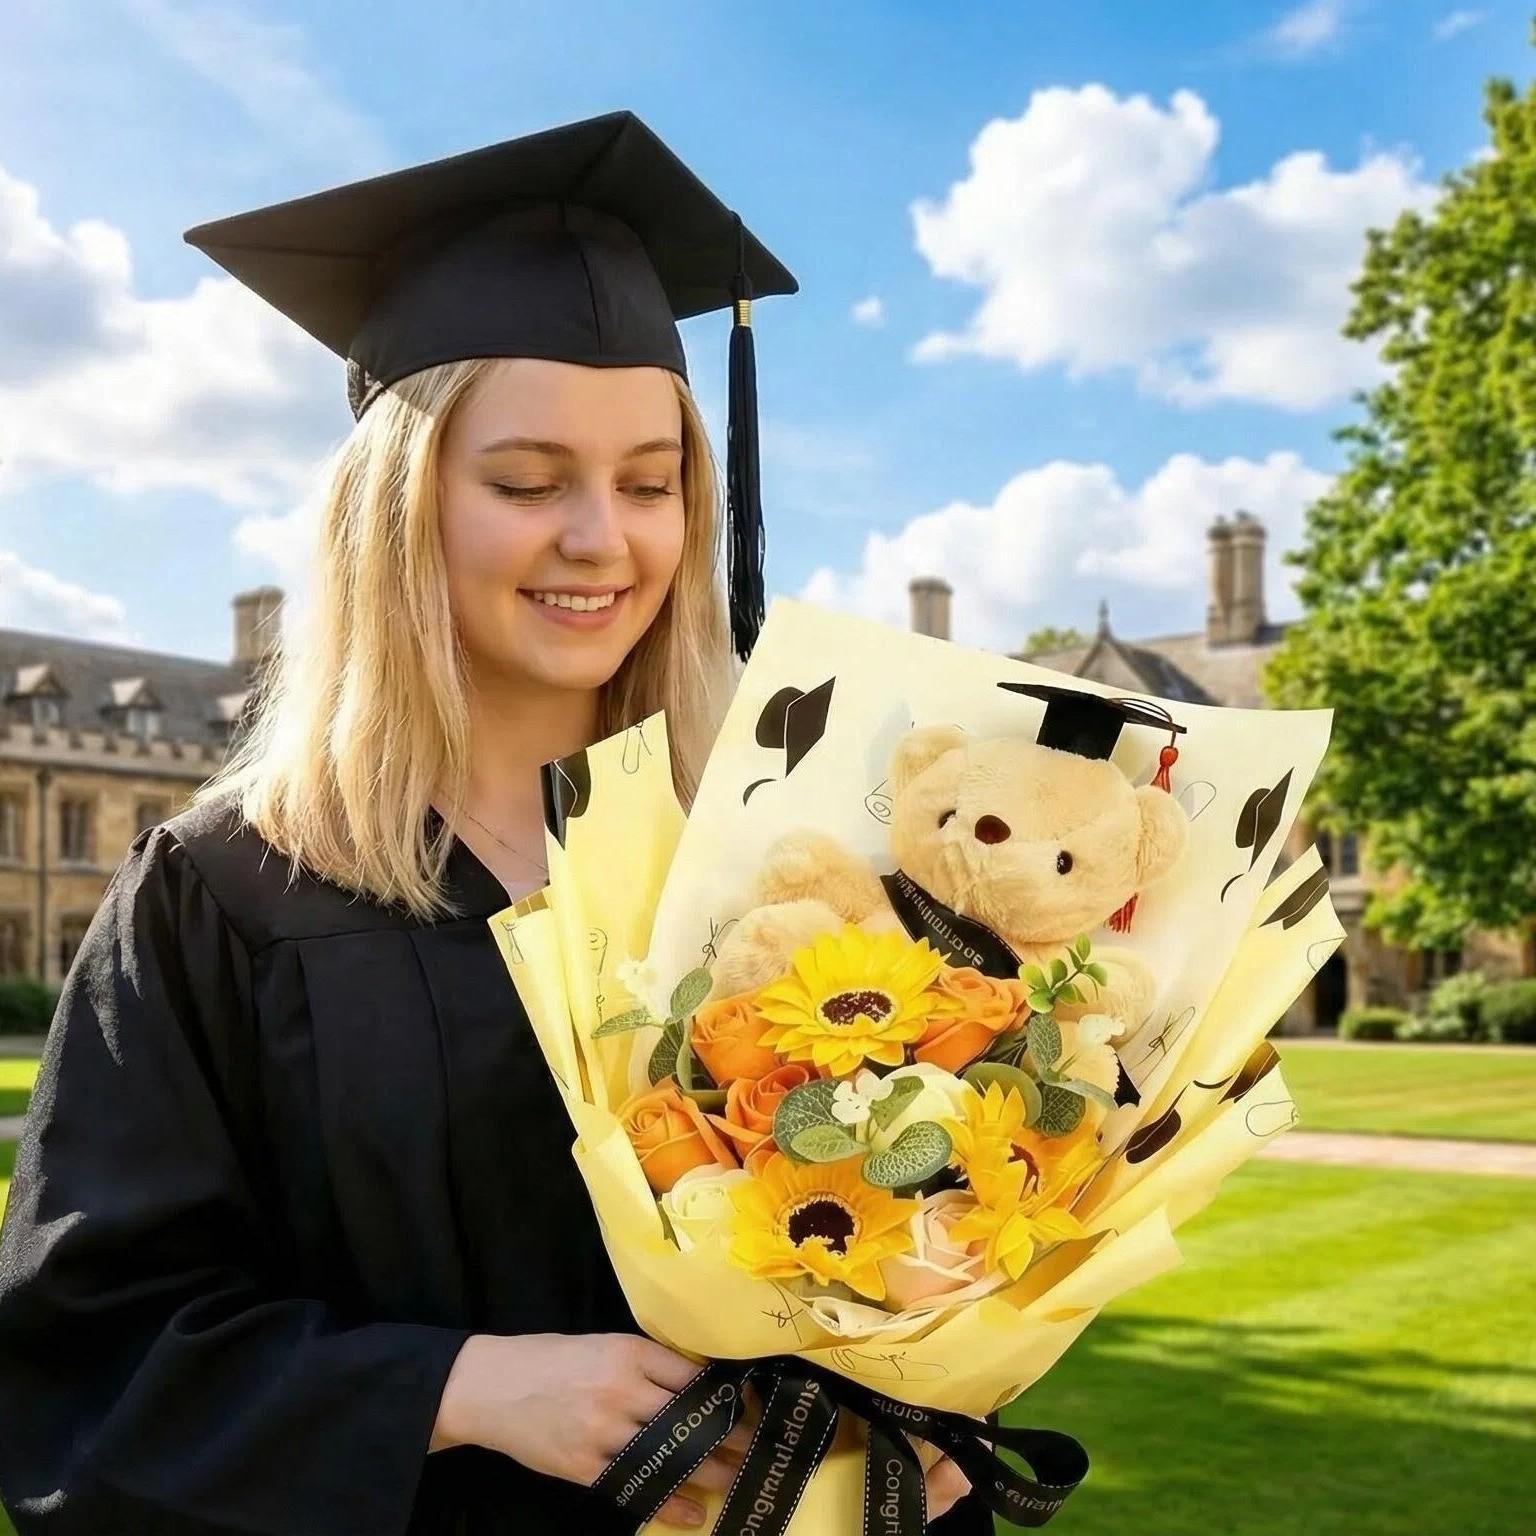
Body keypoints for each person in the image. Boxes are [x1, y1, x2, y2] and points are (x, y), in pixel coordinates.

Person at [0, 112, 989, 1534]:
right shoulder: (228, 898)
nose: (603, 536)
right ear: (396, 512)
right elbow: (89, 1366)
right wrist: (454, 1390)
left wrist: (925, 1410)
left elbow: (938, 1212)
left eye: (652, 484)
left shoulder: (778, 871)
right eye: (528, 483)